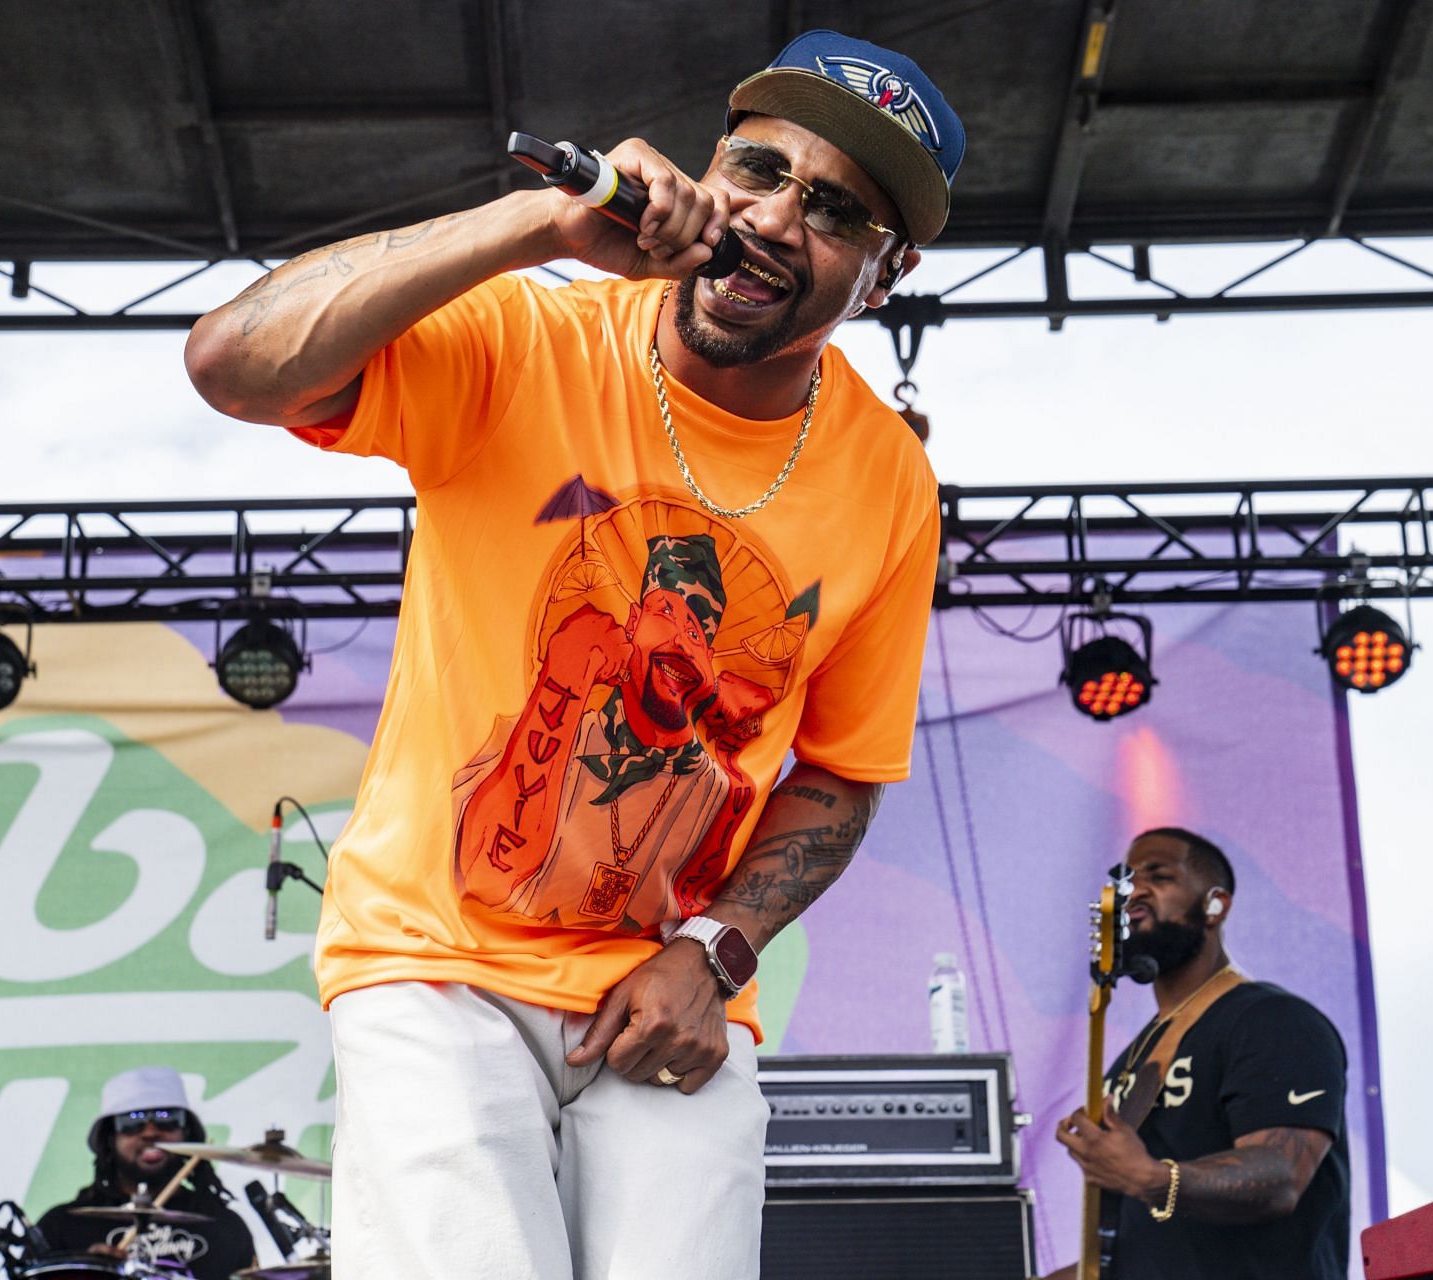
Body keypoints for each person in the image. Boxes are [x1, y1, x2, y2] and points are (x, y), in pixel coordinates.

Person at [186, 28, 963, 1279]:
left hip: (667, 992)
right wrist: (537, 226)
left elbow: (841, 769)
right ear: (709, 168)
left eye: (832, 211)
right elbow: (232, 365)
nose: (770, 219)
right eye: (756, 170)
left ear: (884, 272)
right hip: (435, 957)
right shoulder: (532, 340)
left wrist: (713, 951)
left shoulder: (889, 482)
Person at [1047, 828, 1351, 1280]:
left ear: (1215, 905)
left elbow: (1281, 1176)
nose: (1135, 890)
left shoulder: (1274, 1021)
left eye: (1160, 876)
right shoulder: (1128, 1063)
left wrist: (1151, 1177)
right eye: (1127, 879)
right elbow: (1141, 1251)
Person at [35, 1066, 256, 1280]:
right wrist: (86, 1272)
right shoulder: (61, 1226)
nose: (150, 1132)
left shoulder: (224, 1226)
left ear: (186, 1132)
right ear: (110, 1138)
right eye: (132, 1121)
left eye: (167, 1119)